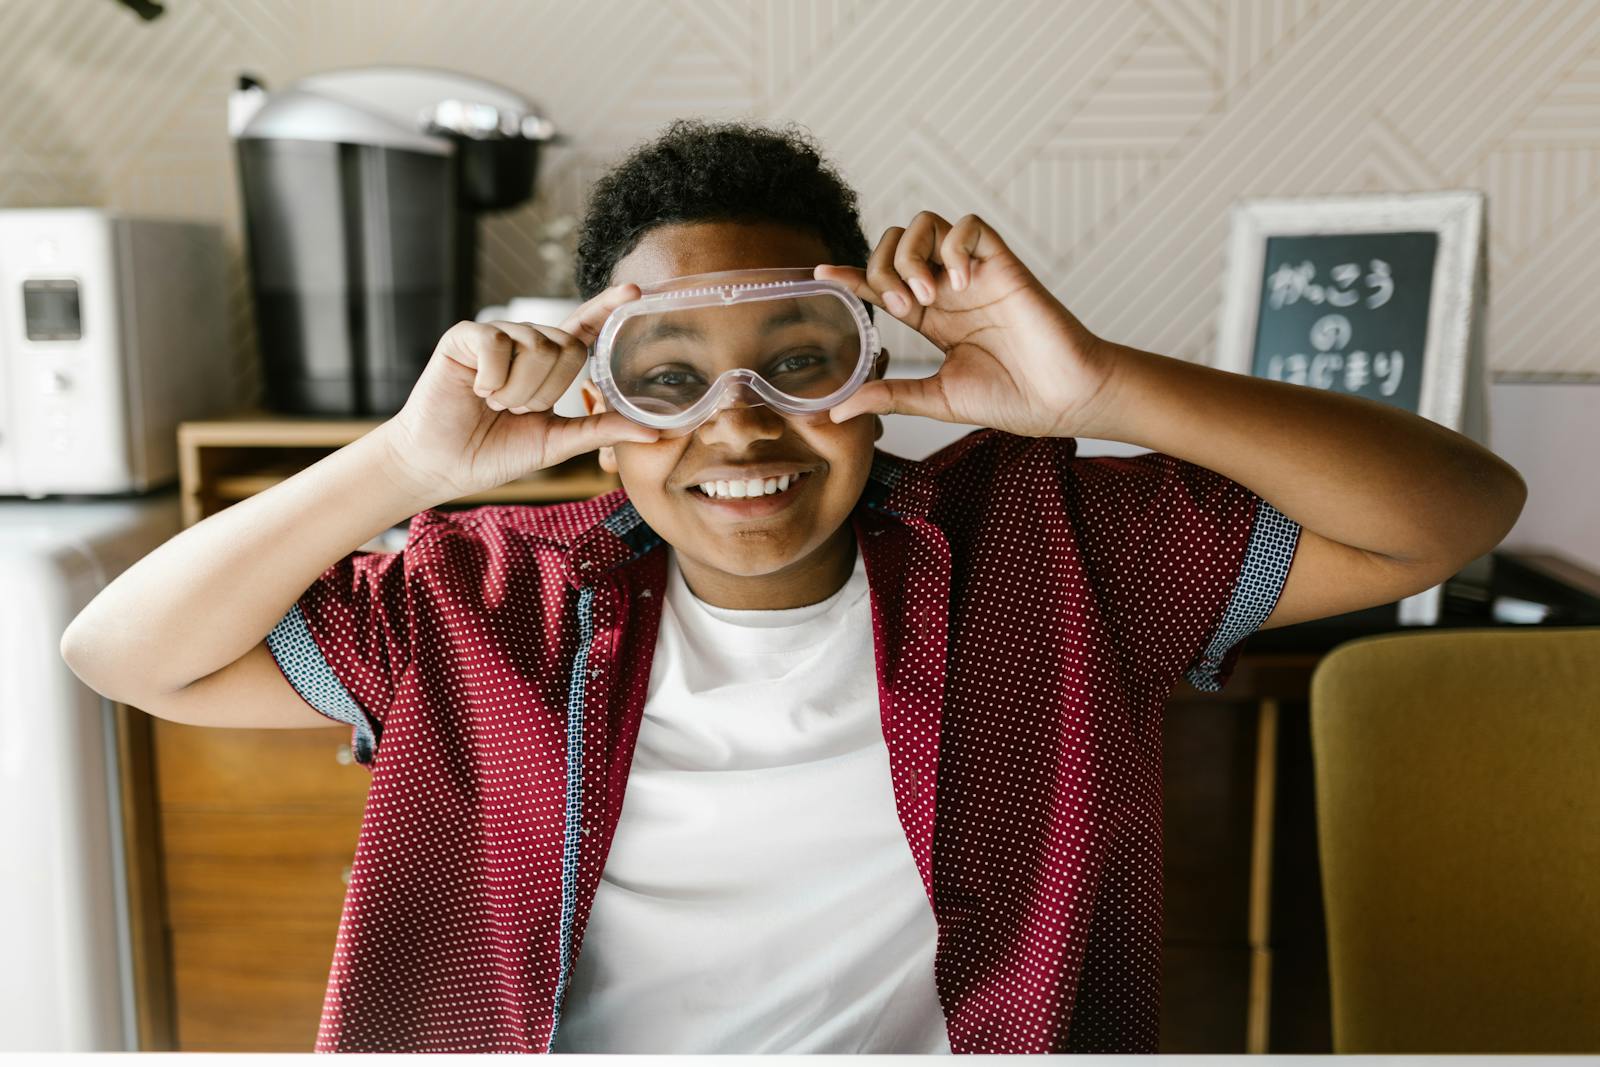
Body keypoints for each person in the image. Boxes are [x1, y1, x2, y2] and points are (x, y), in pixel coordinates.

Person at [59, 119, 1527, 1054]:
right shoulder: (482, 599)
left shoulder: (1055, 554)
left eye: (800, 359)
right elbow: (125, 653)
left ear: (872, 375)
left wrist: (1098, 382)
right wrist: (405, 465)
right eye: (672, 379)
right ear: (604, 406)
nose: (741, 424)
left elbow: (1449, 514)